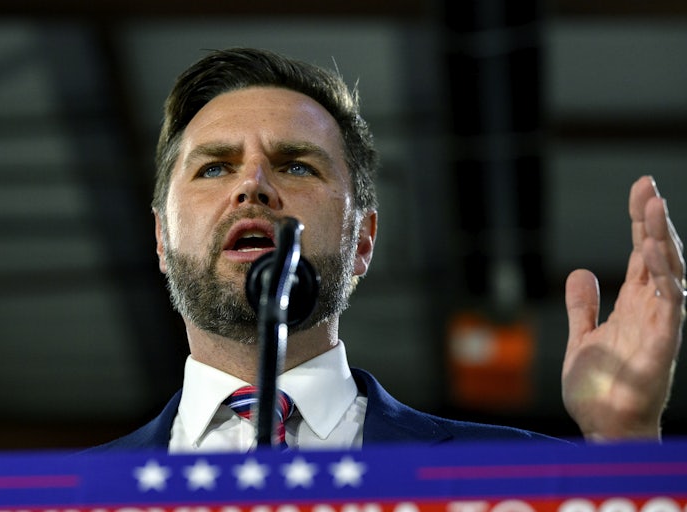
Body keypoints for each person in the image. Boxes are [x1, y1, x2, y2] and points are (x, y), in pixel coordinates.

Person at [91, 47, 685, 452]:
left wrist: (625, 451)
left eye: (296, 164)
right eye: (215, 167)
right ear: (162, 240)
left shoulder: (507, 477)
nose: (253, 186)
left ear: (363, 241)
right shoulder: (60, 498)